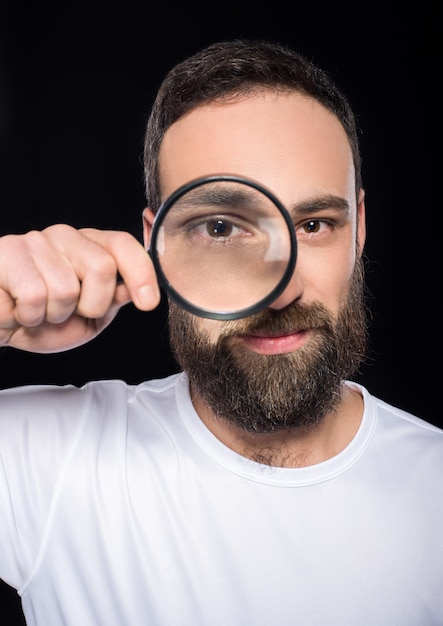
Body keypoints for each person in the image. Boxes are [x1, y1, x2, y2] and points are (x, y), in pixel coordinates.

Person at [0, 39, 442, 626]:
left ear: (358, 231)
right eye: (220, 227)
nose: (281, 290)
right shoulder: (47, 460)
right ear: (156, 242)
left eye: (314, 224)